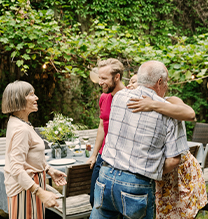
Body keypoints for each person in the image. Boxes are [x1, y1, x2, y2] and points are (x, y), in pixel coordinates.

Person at [90, 60, 189, 219]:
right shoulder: (171, 112)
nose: (167, 86)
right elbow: (173, 161)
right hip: (137, 184)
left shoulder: (119, 97)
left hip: (105, 176)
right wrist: (148, 170)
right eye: (167, 83)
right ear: (159, 82)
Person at [127, 95, 207, 218]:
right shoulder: (138, 106)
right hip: (161, 174)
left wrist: (152, 104)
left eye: (134, 81)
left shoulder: (169, 100)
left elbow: (191, 114)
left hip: (179, 173)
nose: (130, 85)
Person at [2, 81, 67, 219]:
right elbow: (16, 168)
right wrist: (40, 192)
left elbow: (31, 158)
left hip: (29, 186)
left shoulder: (20, 122)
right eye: (32, 94)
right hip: (26, 190)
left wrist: (49, 169)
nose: (36, 97)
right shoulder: (22, 129)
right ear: (19, 99)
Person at [86, 58, 125, 207]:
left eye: (104, 78)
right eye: (99, 78)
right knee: (94, 199)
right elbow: (102, 126)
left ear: (117, 77)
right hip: (104, 155)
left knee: (118, 204)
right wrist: (94, 155)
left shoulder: (132, 98)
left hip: (121, 159)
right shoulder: (104, 97)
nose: (100, 82)